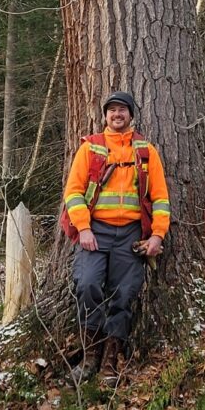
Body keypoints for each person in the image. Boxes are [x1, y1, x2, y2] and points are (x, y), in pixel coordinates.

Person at [62, 90, 170, 385]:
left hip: (132, 236)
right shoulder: (91, 148)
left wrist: (157, 235)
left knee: (124, 294)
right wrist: (83, 227)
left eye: (122, 109)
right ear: (105, 115)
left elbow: (160, 198)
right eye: (112, 110)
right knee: (87, 285)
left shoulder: (146, 151)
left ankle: (110, 360)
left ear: (131, 115)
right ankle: (90, 357)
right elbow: (72, 192)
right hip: (95, 232)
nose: (117, 114)